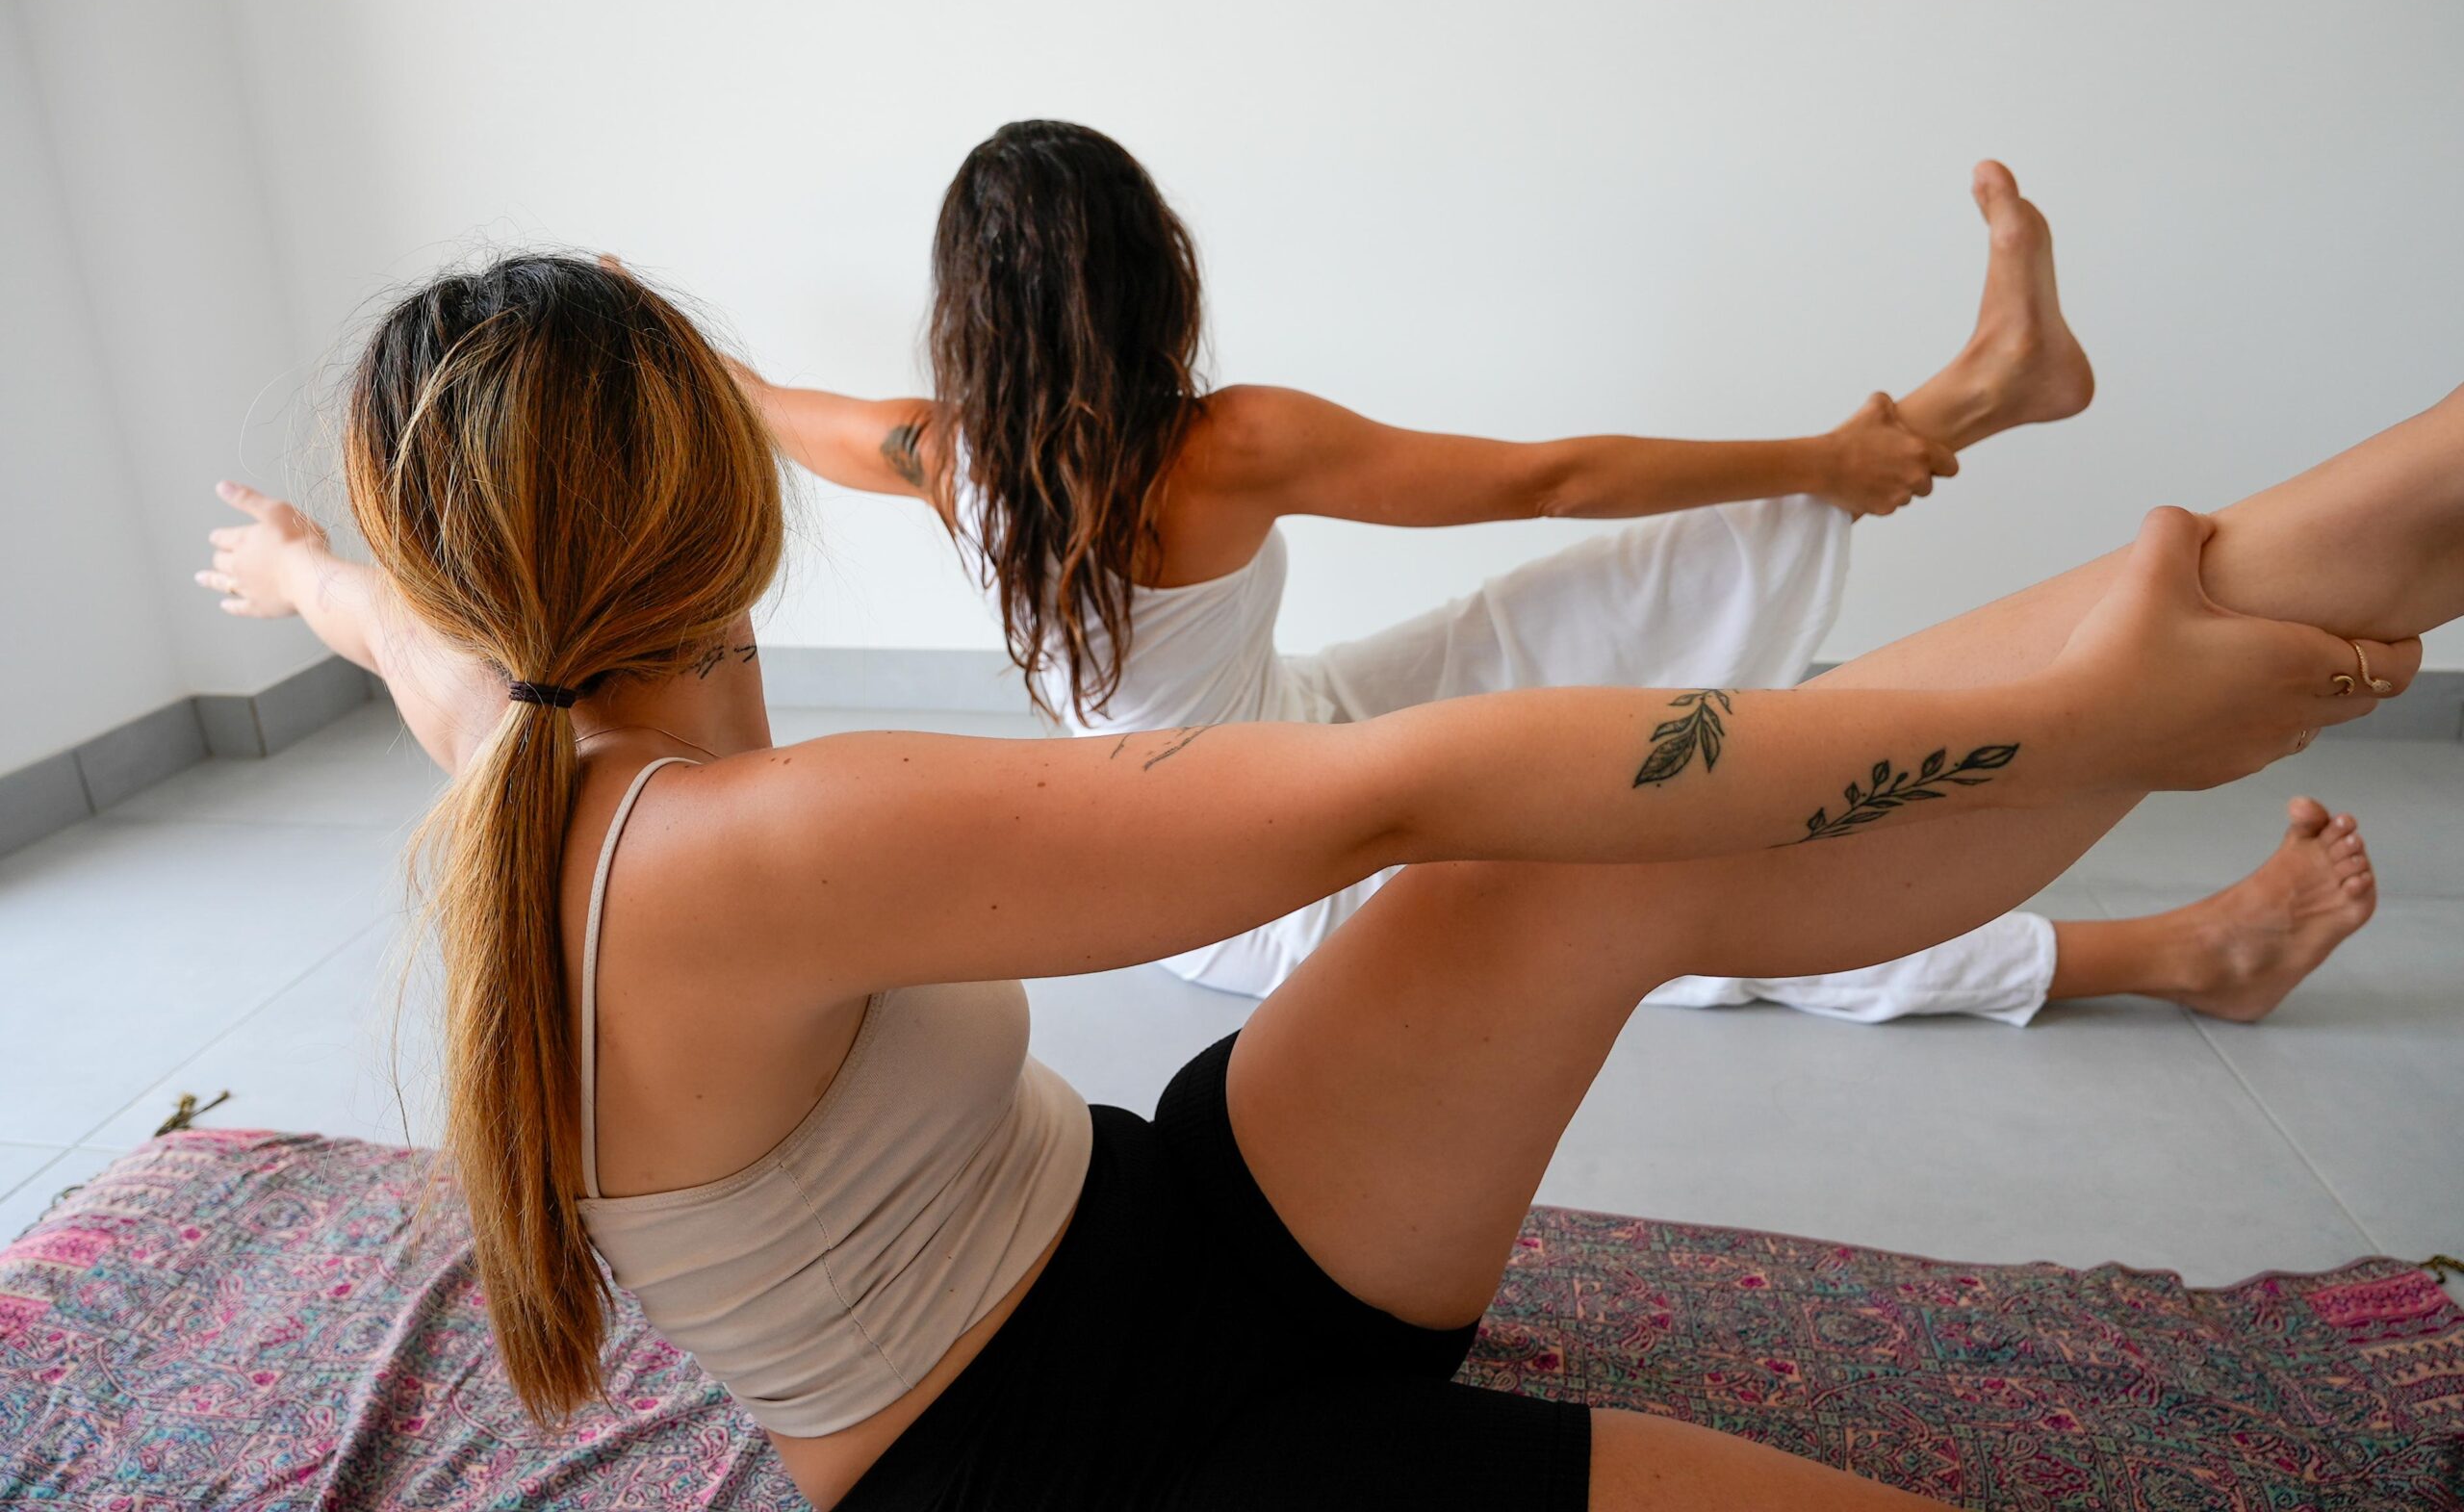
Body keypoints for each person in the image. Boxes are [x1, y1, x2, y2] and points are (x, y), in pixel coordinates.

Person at [196, 252, 2436, 1509]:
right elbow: (1400, 784)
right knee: (1500, 821)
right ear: (725, 506)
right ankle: (2125, 689)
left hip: (1152, 1241)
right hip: (1071, 1482)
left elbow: (414, 657)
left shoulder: (513, 749)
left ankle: (2360, 521)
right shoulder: (745, 845)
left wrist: (309, 580)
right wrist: (2075, 728)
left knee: (1545, 874)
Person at [739, 124, 2376, 1018]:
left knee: (1566, 620)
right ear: (1146, 276)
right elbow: (1549, 477)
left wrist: (653, 337)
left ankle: (1983, 391)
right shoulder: (1225, 442)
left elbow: (769, 407)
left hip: (1286, 739)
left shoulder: (937, 451)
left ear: (973, 315)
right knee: (1674, 889)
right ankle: (2175, 957)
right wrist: (1811, 453)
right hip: (1249, 875)